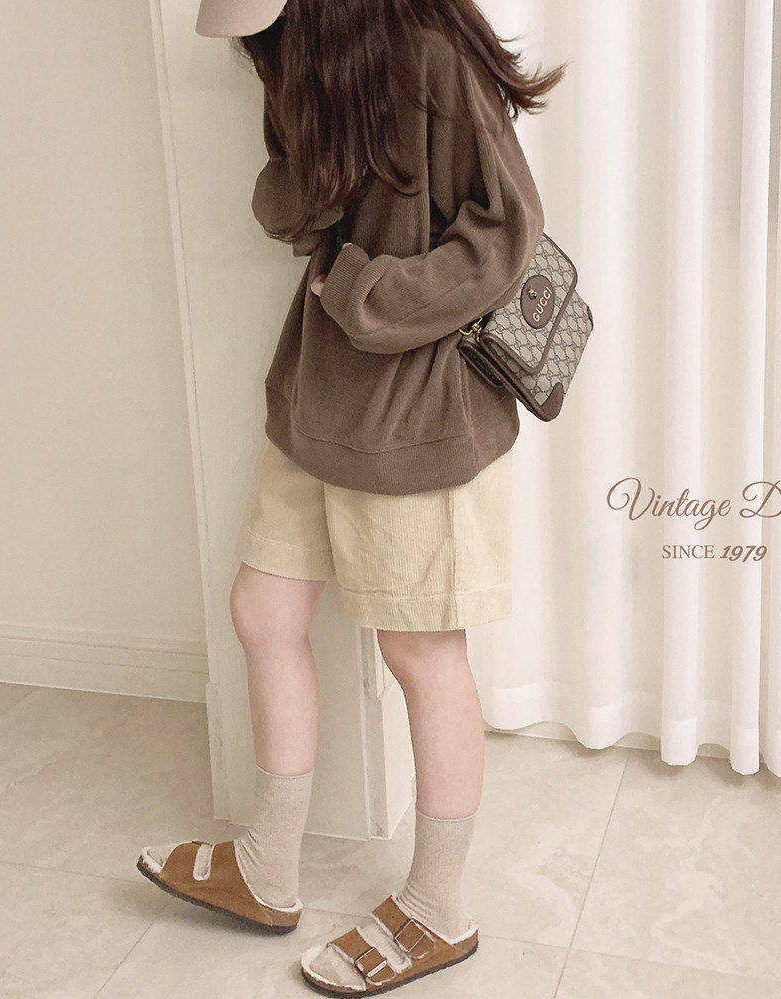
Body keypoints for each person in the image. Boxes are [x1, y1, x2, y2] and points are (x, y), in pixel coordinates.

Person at [138, 0, 565, 993]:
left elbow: (508, 229)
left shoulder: (428, 52)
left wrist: (368, 295)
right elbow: (297, 204)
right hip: (320, 394)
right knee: (263, 609)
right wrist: (301, 186)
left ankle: (437, 908)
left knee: (421, 652)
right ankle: (267, 864)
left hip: (419, 413)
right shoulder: (294, 48)